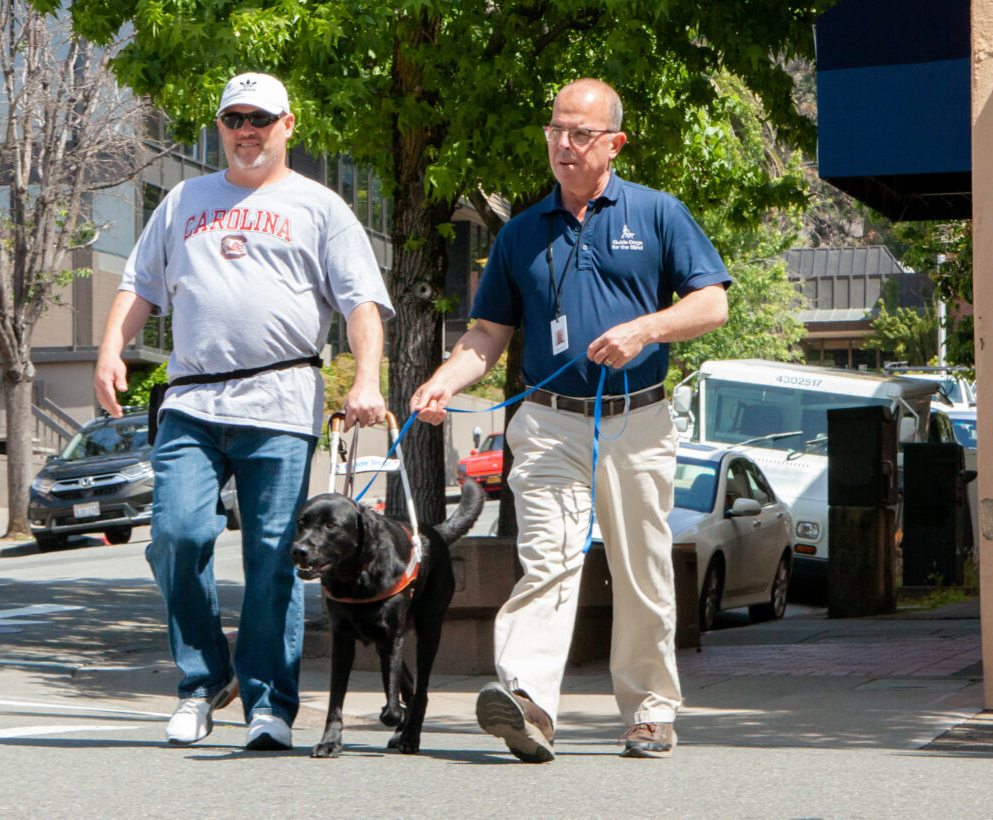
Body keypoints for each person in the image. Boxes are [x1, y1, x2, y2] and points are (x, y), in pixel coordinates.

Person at [410, 78, 730, 762]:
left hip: (635, 421)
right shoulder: (523, 232)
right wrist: (441, 380)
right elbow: (487, 335)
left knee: (639, 567)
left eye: (579, 133)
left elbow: (712, 306)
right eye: (555, 129)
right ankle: (528, 704)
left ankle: (650, 708)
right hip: (549, 422)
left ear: (614, 143)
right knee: (547, 559)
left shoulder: (657, 214)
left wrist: (645, 330)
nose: (562, 143)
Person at [95, 72, 393, 750]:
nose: (247, 130)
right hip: (192, 398)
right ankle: (205, 682)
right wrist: (112, 347)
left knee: (275, 555)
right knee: (176, 537)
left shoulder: (320, 207)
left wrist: (367, 377)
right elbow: (138, 284)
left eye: (261, 117)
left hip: (281, 403)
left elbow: (360, 305)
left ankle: (269, 704)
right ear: (220, 126)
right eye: (235, 118)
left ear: (289, 125)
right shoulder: (183, 200)